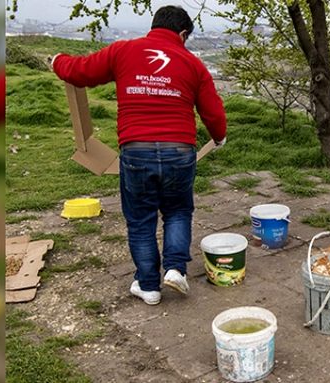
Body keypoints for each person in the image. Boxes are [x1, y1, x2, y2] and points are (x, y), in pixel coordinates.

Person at [51, 6, 227, 305]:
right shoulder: (193, 64)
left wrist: (57, 61)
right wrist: (219, 137)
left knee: (141, 219)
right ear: (183, 34)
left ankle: (148, 287)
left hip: (136, 149)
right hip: (179, 150)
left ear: (154, 25)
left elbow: (80, 71)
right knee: (178, 211)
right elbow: (212, 111)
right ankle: (175, 270)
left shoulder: (124, 51)